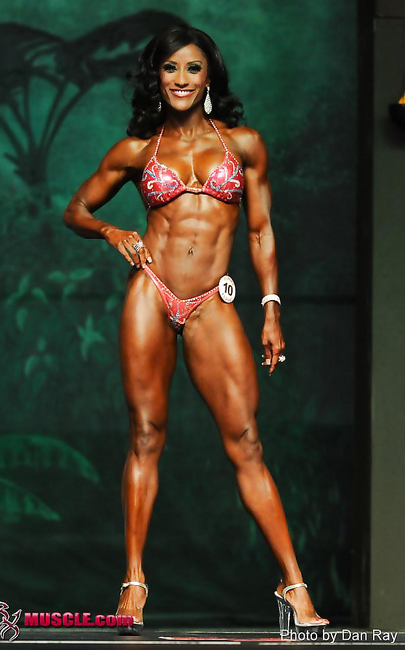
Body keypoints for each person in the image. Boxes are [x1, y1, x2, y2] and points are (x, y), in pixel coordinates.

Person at [62, 25, 329, 637]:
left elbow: (260, 230)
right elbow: (75, 209)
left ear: (210, 77)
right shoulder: (137, 151)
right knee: (145, 435)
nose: (181, 79)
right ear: (155, 77)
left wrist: (271, 307)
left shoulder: (244, 145)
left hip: (212, 300)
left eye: (192, 68)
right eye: (170, 68)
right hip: (151, 293)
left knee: (247, 443)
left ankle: (293, 584)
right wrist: (112, 232)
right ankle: (133, 582)